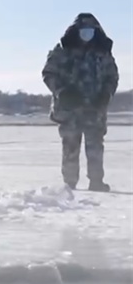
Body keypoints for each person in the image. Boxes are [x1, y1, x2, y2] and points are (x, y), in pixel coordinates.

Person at [41, 13, 119, 192]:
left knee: (95, 146)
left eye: (90, 31)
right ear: (76, 31)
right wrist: (62, 92)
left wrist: (106, 95)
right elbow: (48, 73)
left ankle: (96, 181)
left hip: (95, 109)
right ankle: (69, 184)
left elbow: (112, 76)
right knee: (70, 146)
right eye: (83, 31)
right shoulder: (62, 50)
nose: (87, 34)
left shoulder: (103, 52)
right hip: (70, 109)